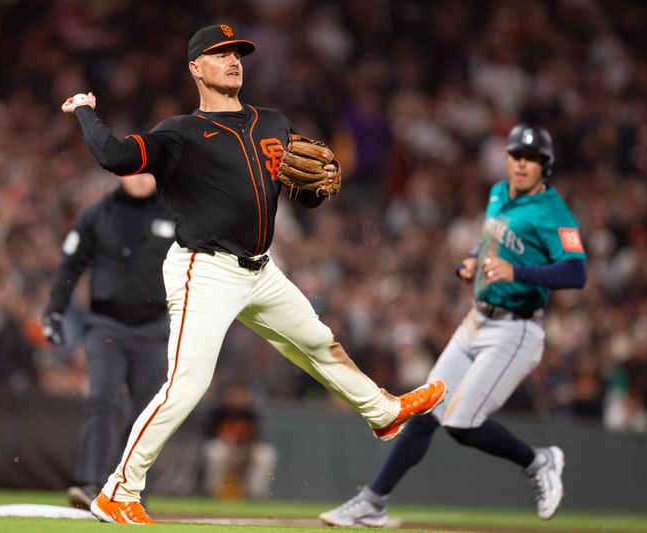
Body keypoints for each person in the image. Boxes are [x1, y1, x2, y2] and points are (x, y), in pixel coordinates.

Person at [61, 23, 447, 525]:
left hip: (260, 271)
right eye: (220, 54)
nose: (233, 60)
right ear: (196, 68)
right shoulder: (179, 133)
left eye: (237, 53)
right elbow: (114, 157)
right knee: (186, 385)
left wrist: (320, 184)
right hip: (205, 269)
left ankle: (383, 412)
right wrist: (85, 110)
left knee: (319, 341)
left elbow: (300, 191)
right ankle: (118, 490)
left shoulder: (274, 122)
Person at [319, 123, 588, 527]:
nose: (521, 163)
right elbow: (488, 243)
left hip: (515, 330)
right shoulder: (499, 193)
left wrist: (518, 274)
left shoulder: (553, 213)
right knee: (425, 411)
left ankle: (539, 461)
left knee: (461, 423)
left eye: (531, 158)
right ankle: (373, 501)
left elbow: (576, 272)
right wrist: (473, 261)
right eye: (516, 155)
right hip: (476, 320)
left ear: (544, 166)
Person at [42, 173, 175, 509]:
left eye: (148, 170)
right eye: (134, 169)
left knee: (147, 410)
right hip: (107, 325)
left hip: (154, 328)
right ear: (120, 172)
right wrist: (54, 312)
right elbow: (70, 264)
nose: (142, 178)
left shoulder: (175, 213)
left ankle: (127, 488)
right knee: (103, 399)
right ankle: (91, 484)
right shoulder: (96, 213)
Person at [201, 382, 277, 500]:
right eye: (234, 394)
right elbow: (208, 437)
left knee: (266, 454)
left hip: (245, 451)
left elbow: (258, 438)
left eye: (241, 395)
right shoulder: (218, 413)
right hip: (226, 450)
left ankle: (255, 496)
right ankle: (213, 493)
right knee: (215, 451)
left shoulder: (250, 414)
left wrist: (248, 449)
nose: (238, 398)